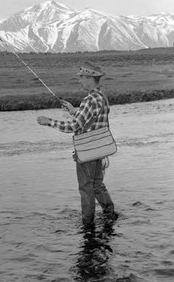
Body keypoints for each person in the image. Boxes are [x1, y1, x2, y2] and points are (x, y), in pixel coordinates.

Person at [37, 62, 116, 226]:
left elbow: (73, 126)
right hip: (98, 149)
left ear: (89, 78)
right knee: (97, 185)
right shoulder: (102, 97)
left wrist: (48, 121)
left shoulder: (89, 100)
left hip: (86, 151)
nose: (80, 81)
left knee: (86, 189)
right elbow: (92, 120)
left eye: (82, 78)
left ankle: (88, 224)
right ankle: (110, 214)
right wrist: (74, 111)